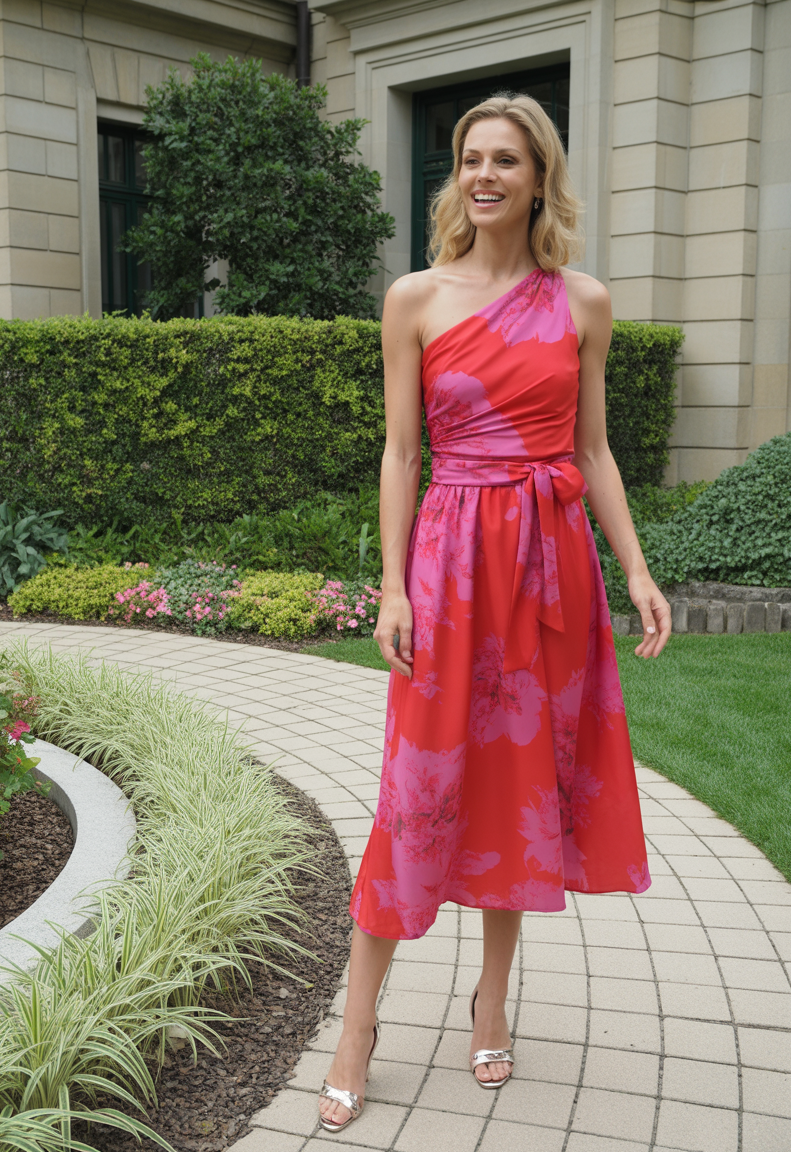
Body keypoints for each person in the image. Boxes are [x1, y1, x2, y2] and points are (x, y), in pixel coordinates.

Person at [317, 92, 671, 1134]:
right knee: (417, 787)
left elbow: (593, 451)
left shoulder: (585, 303)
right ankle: (358, 1023)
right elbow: (400, 453)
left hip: (551, 570)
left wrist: (638, 571)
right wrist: (391, 584)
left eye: (505, 160)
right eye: (470, 158)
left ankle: (492, 996)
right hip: (453, 562)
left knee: (524, 781)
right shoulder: (415, 298)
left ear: (538, 177)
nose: (483, 175)